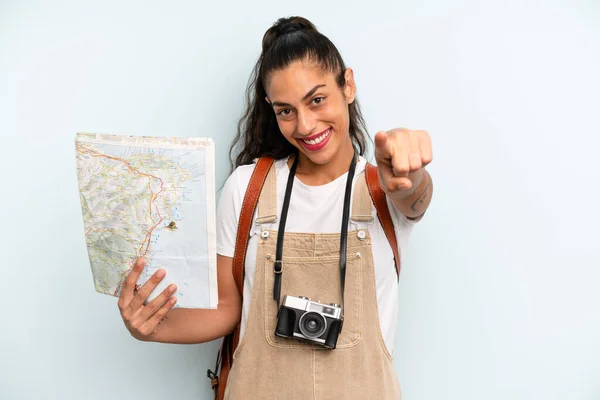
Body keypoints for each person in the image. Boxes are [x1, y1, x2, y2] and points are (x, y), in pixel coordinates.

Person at [117, 16, 433, 400]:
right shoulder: (246, 188)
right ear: (271, 109)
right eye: (286, 110)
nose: (305, 124)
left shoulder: (382, 189)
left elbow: (413, 195)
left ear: (347, 85)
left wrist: (408, 169)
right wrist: (150, 327)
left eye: (317, 100)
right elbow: (227, 309)